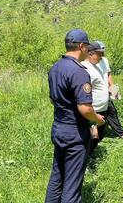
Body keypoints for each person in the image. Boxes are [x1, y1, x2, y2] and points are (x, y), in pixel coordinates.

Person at [45, 29, 105, 203]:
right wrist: (97, 119)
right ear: (81, 46)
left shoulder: (55, 68)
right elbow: (85, 109)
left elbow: (52, 99)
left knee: (57, 178)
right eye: (87, 47)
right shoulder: (79, 72)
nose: (88, 51)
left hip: (58, 129)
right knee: (72, 185)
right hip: (75, 135)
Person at [95, 41, 123, 140]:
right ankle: (94, 138)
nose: (103, 54)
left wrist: (112, 87)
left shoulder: (104, 60)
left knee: (112, 111)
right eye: (100, 52)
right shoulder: (89, 63)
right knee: (98, 117)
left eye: (103, 51)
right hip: (96, 95)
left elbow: (108, 74)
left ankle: (122, 133)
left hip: (106, 92)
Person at [81, 42, 109, 155]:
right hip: (93, 110)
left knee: (100, 135)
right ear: (90, 53)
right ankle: (85, 160)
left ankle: (90, 153)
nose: (101, 57)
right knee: (91, 136)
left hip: (103, 108)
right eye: (99, 54)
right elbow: (84, 93)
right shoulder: (85, 68)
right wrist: (92, 114)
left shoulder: (96, 65)